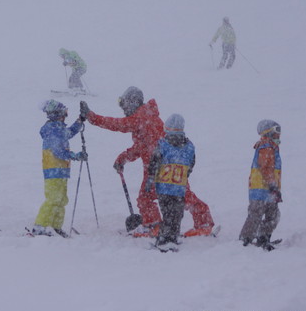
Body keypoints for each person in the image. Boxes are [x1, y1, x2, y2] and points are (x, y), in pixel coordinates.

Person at [81, 87, 214, 237]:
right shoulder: (146, 116)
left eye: (123, 103)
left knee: (148, 197)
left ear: (133, 102)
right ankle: (203, 221)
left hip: (158, 166)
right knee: (180, 194)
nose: (123, 108)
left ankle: (154, 226)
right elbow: (142, 146)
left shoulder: (142, 116)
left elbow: (119, 125)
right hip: (166, 163)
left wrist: (92, 117)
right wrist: (123, 158)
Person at [32, 100, 86, 237]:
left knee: (61, 199)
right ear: (58, 114)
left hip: (61, 170)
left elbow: (69, 133)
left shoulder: (58, 128)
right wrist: (75, 155)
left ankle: (55, 226)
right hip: (53, 169)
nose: (66, 116)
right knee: (53, 199)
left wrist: (80, 121)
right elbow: (58, 151)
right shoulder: (52, 129)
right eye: (65, 113)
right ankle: (40, 226)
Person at [146, 114, 194, 252]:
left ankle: (167, 238)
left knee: (171, 214)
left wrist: (151, 177)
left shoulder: (162, 145)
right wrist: (184, 175)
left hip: (166, 187)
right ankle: (167, 238)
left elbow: (153, 163)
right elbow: (191, 164)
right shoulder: (189, 147)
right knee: (174, 214)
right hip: (176, 188)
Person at [239, 120, 283, 251]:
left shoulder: (272, 147)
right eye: (277, 132)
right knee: (256, 214)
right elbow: (265, 167)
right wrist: (272, 184)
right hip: (261, 189)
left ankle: (263, 237)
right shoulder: (266, 146)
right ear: (268, 133)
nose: (279, 135)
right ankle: (245, 239)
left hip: (270, 190)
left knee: (273, 215)